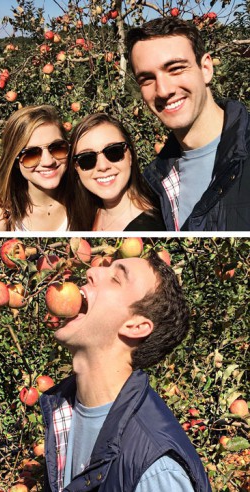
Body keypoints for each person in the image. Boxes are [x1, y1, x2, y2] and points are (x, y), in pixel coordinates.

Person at [39, 254, 210, 491]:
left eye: (116, 279)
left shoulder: (156, 471)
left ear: (136, 326)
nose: (91, 271)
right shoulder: (62, 413)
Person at [126, 17, 250, 230]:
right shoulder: (153, 184)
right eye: (147, 79)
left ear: (206, 69)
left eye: (175, 68)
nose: (163, 90)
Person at [0, 105, 76, 231]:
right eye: (31, 154)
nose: (48, 161)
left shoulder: (86, 201)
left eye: (57, 147)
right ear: (14, 161)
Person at [65, 113, 166, 231]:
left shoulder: (151, 229)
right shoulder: (81, 215)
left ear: (130, 156)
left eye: (114, 151)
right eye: (87, 159)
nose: (103, 166)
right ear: (76, 167)